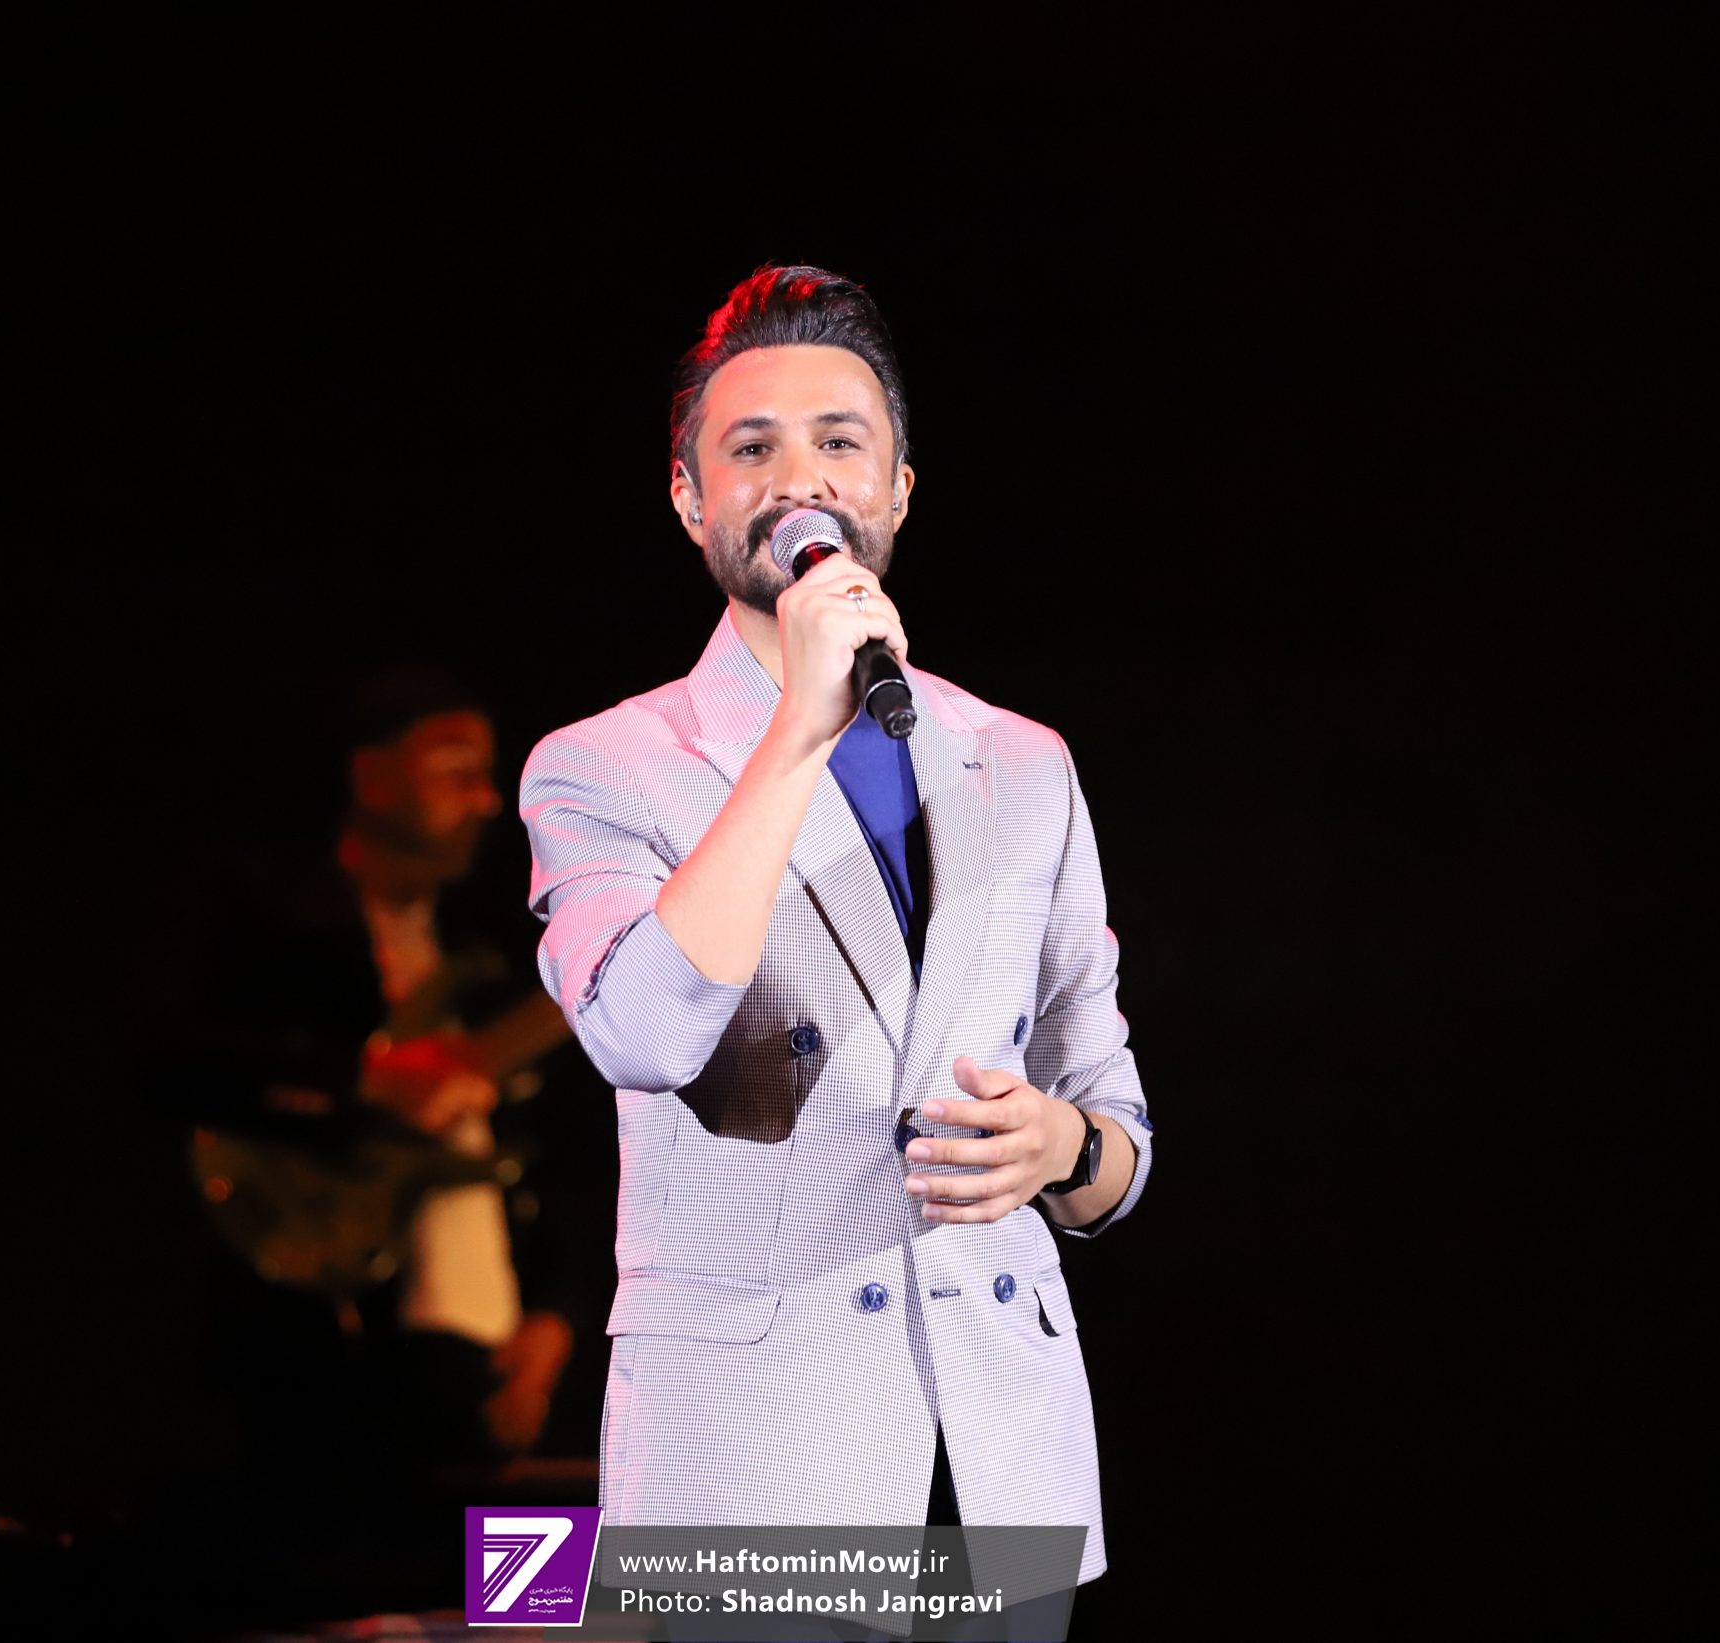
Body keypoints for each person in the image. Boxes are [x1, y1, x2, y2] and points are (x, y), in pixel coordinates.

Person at [518, 266, 1153, 1621]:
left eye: (838, 442)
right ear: (689, 497)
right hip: (753, 1455)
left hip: (997, 1451)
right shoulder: (605, 764)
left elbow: (1115, 1117)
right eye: (751, 448)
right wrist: (798, 729)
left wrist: (1063, 1147)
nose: (798, 477)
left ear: (898, 491)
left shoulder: (1022, 761)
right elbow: (642, 1031)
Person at [131, 669, 581, 1506]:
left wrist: (554, 1316)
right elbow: (162, 1050)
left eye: (488, 774)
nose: (486, 799)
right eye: (454, 769)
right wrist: (365, 1079)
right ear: (371, 776)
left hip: (482, 1350)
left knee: (527, 1582)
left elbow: (547, 1154)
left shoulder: (488, 948)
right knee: (340, 1569)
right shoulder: (260, 907)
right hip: (314, 1341)